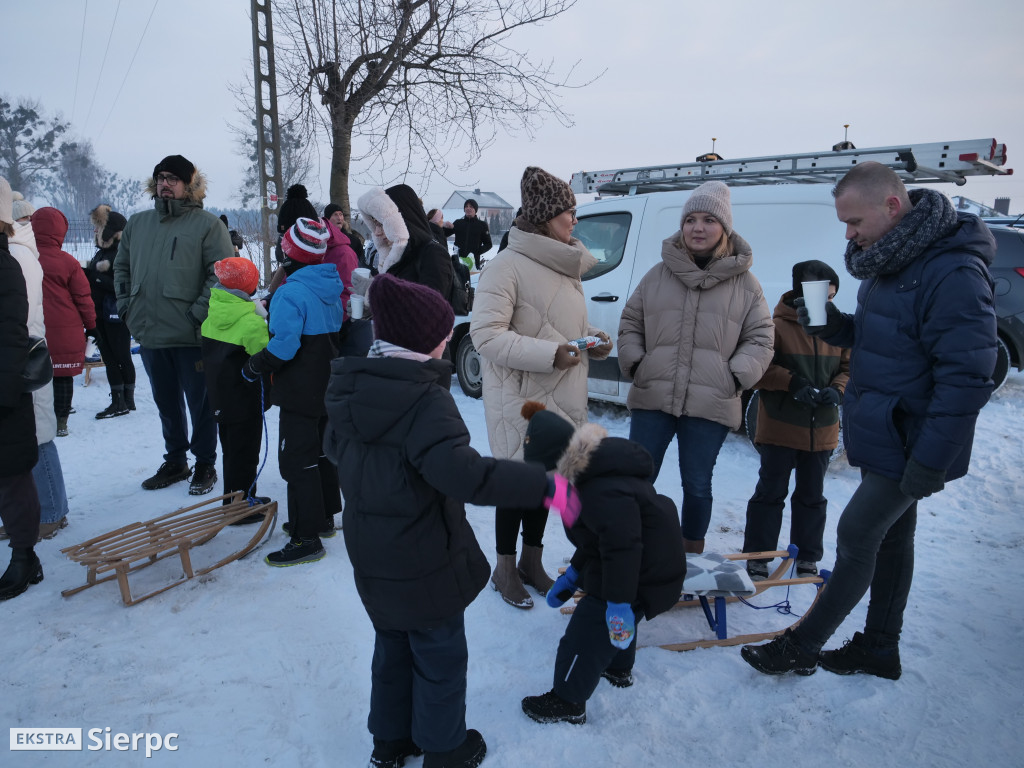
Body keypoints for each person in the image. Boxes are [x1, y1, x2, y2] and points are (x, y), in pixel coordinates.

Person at [741, 161, 997, 679]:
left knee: (857, 534)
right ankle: (879, 647)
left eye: (854, 222)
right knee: (894, 540)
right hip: (887, 430)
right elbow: (884, 334)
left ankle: (801, 645)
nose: (848, 233)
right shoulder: (892, 262)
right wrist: (834, 325)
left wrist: (931, 460)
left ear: (892, 206)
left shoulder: (953, 271)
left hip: (915, 440)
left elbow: (969, 377)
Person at [322, 273, 581, 768]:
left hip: (371, 554)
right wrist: (543, 485)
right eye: (443, 338)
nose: (447, 344)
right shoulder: (423, 403)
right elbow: (469, 477)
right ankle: (445, 750)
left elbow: (334, 449)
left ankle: (391, 743)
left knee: (392, 650)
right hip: (423, 560)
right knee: (439, 657)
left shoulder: (350, 390)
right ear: (428, 344)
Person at [471, 166, 613, 609]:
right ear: (545, 215)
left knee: (544, 482)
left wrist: (593, 337)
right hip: (520, 397)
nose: (575, 218)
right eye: (568, 210)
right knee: (517, 483)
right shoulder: (506, 267)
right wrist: (550, 354)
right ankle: (504, 568)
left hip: (560, 393)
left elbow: (555, 321)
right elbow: (487, 337)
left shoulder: (561, 260)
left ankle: (532, 561)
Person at [617, 180, 774, 554]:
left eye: (708, 220)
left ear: (724, 229)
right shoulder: (657, 275)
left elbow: (761, 338)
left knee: (698, 483)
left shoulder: (746, 285)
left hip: (711, 400)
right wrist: (638, 363)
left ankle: (690, 555)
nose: (697, 228)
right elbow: (630, 323)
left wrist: (734, 375)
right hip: (654, 392)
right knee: (637, 477)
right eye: (690, 220)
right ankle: (630, 546)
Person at [518, 402, 685, 726]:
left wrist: (618, 603)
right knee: (611, 606)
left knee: (589, 627)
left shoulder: (598, 490)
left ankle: (567, 701)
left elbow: (622, 547)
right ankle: (618, 667)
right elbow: (598, 538)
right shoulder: (586, 477)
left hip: (646, 569)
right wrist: (575, 574)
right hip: (646, 561)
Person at [114, 154, 233, 495]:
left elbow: (222, 275)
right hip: (151, 333)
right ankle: (176, 460)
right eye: (160, 178)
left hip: (191, 334)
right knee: (166, 402)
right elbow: (122, 269)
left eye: (173, 179)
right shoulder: (138, 223)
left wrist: (196, 313)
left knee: (202, 403)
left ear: (189, 185)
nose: (165, 183)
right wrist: (127, 309)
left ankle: (206, 463)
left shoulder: (208, 225)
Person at [243, 218, 343, 566]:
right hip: (327, 387)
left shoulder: (290, 292)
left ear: (287, 254)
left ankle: (306, 537)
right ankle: (324, 518)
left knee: (296, 462)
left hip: (300, 391)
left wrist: (257, 364)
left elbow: (284, 347)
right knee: (319, 455)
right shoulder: (329, 285)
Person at [742, 261, 850, 580]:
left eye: (832, 297)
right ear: (801, 294)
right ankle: (758, 556)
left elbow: (848, 367)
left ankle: (806, 556)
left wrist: (837, 390)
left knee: (812, 496)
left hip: (823, 432)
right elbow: (758, 370)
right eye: (822, 297)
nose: (827, 303)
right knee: (770, 494)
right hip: (780, 428)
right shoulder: (773, 325)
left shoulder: (838, 329)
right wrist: (793, 383)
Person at [5, 190, 69, 542]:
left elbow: (21, 311)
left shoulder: (16, 253)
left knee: (39, 436)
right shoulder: (19, 250)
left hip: (23, 355)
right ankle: (33, 511)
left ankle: (51, 511)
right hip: (20, 352)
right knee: (28, 436)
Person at [0, 176, 44, 601]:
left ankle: (24, 557)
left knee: (12, 479)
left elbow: (14, 332)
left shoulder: (9, 262)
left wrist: (5, 389)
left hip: (5, 391)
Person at [200, 257, 271, 514]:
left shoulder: (214, 313)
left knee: (231, 451)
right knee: (246, 453)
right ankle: (240, 508)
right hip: (245, 400)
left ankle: (233, 500)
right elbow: (266, 355)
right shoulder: (251, 323)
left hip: (220, 397)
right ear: (249, 289)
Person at [32, 206, 97, 437]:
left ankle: (38, 419)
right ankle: (61, 422)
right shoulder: (68, 262)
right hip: (66, 330)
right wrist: (91, 325)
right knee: (62, 377)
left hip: (33, 327)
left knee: (35, 376)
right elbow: (83, 298)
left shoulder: (24, 256)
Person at [86, 205, 135, 418]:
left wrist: (93, 276)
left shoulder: (121, 253)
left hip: (114, 313)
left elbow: (123, 285)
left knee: (118, 356)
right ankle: (124, 399)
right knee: (114, 356)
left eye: (99, 227)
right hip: (102, 313)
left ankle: (121, 401)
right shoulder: (104, 252)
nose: (95, 231)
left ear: (110, 231)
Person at [450, 198, 492, 270]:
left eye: (471, 207)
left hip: (474, 263)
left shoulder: (482, 225)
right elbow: (443, 233)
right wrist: (443, 225)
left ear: (475, 210)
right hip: (458, 262)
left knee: (472, 281)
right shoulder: (458, 223)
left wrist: (477, 251)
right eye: (466, 206)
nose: (468, 208)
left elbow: (488, 244)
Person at [324, 202, 366, 266]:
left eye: (341, 214)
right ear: (328, 219)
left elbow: (362, 264)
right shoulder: (322, 239)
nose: (339, 218)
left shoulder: (353, 240)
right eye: (335, 215)